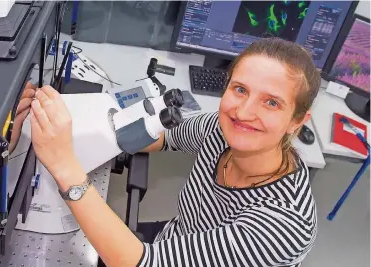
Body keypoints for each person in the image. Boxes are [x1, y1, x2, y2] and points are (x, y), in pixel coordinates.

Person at [26, 37, 320, 267]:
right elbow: (164, 137)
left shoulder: (284, 224)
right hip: (178, 240)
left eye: (271, 103)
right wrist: (86, 128)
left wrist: (65, 165)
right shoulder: (219, 130)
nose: (243, 112)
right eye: (240, 90)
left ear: (297, 120)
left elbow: (141, 263)